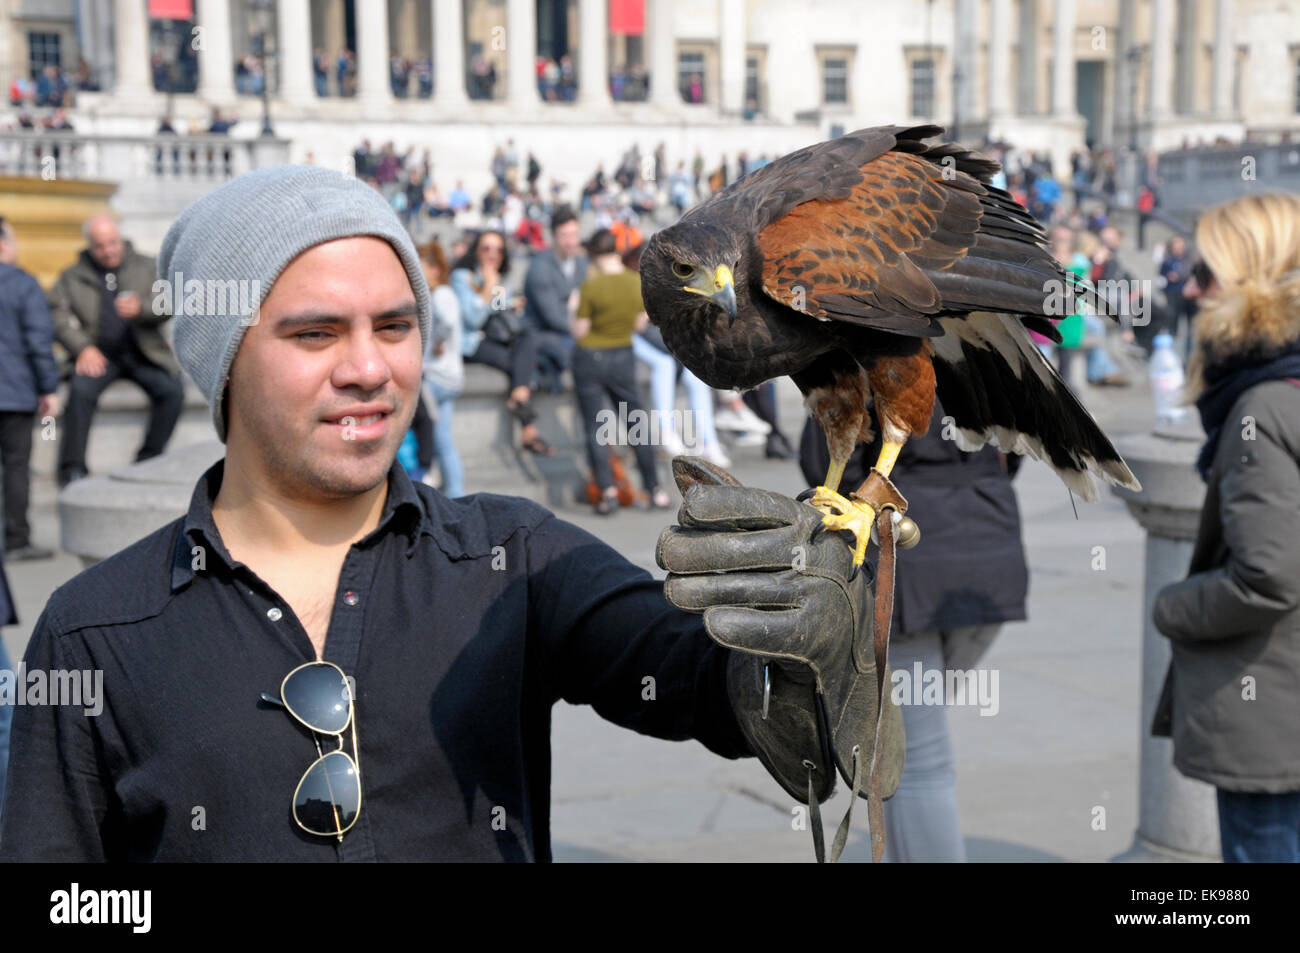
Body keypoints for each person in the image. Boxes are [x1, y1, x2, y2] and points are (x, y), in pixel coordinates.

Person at [0, 165, 900, 861]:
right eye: (315, 333)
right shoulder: (96, 630)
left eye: (395, 327)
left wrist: (800, 643)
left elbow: (701, 680)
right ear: (222, 358)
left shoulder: (512, 557)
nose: (370, 367)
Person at [800, 397, 1028, 862]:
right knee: (900, 747)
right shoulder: (985, 337)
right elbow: (1020, 445)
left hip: (911, 563)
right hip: (992, 554)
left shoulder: (871, 352)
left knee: (917, 761)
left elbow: (825, 466)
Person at [1152, 193, 1300, 863]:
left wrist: (1173, 605)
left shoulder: (1263, 406)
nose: (1188, 287)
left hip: (1272, 709)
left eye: (1205, 272)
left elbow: (1268, 573)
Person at [49, 215, 184, 488]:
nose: (108, 250)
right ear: (90, 246)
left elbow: (170, 302)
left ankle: (149, 459)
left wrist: (143, 309)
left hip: (143, 352)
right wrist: (82, 347)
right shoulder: (73, 275)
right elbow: (56, 316)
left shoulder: (148, 266)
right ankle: (73, 467)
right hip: (99, 355)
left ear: (120, 238)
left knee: (172, 391)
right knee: (80, 391)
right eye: (100, 246)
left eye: (112, 242)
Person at [571, 229, 672, 514]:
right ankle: (654, 488)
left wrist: (572, 309)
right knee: (635, 422)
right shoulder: (634, 282)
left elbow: (580, 330)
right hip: (623, 356)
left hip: (590, 357)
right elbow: (641, 323)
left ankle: (607, 492)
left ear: (593, 254)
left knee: (595, 427)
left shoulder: (590, 286)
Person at [449, 230, 553, 456]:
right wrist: (489, 286)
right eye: (486, 248)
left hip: (493, 338)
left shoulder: (498, 279)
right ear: (476, 250)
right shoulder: (462, 277)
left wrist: (508, 303)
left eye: (498, 249)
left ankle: (520, 401)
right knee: (518, 364)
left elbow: (495, 313)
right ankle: (528, 426)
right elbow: (472, 319)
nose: (492, 254)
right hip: (471, 342)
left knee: (528, 338)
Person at [0, 217, 60, 560]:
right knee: (16, 466)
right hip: (14, 393)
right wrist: (48, 387)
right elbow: (39, 341)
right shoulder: (23, 284)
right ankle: (17, 541)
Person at [418, 238, 464, 499]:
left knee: (430, 435)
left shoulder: (440, 294)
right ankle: (455, 494)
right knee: (443, 439)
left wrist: (436, 343)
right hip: (451, 377)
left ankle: (431, 482)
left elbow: (446, 323)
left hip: (437, 375)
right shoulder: (446, 293)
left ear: (434, 269)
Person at [522, 206, 587, 394]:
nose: (570, 241)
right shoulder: (539, 267)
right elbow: (553, 317)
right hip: (544, 334)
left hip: (574, 330)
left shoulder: (582, 264)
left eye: (574, 234)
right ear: (553, 236)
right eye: (564, 235)